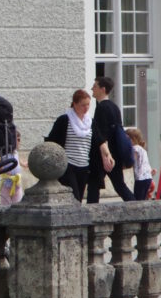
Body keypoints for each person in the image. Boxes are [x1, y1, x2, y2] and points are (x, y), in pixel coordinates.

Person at [87, 76, 135, 204]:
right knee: (119, 185)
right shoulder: (114, 107)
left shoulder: (102, 108)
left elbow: (102, 135)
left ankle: (90, 216)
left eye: (95, 86)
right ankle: (137, 207)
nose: (92, 88)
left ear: (102, 89)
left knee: (94, 185)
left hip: (104, 156)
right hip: (115, 154)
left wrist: (105, 156)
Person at [45, 89, 94, 201]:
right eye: (83, 105)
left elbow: (98, 140)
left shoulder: (90, 122)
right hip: (68, 164)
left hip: (84, 164)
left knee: (80, 198)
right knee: (74, 196)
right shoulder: (64, 120)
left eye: (88, 105)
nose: (86, 108)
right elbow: (52, 140)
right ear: (75, 104)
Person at [128, 127, 154, 201]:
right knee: (143, 198)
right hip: (148, 177)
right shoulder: (143, 149)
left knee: (138, 199)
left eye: (127, 139)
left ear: (133, 139)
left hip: (140, 178)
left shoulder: (135, 148)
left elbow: (132, 160)